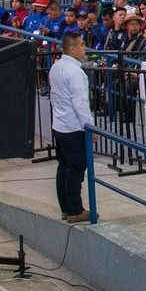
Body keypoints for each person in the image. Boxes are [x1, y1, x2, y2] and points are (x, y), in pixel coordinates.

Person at [50, 32, 94, 223]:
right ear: (73, 48)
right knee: (75, 170)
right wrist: (90, 127)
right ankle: (75, 210)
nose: (84, 48)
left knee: (64, 168)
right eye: (82, 45)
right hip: (74, 128)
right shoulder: (75, 72)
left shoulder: (56, 67)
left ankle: (66, 208)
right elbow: (80, 103)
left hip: (60, 125)